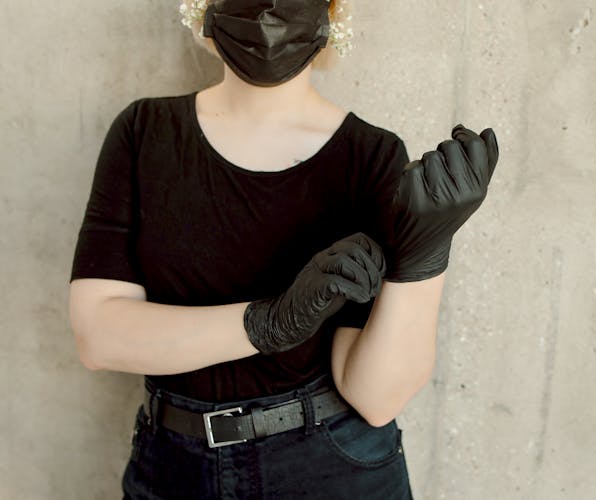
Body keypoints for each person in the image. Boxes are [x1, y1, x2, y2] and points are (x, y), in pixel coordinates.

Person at [67, 0, 499, 498]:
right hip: (172, 469)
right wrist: (269, 324)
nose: (269, 8)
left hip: (329, 467)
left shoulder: (371, 157)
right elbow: (98, 335)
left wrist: (424, 258)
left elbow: (376, 398)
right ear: (203, 8)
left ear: (332, 14)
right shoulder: (144, 132)